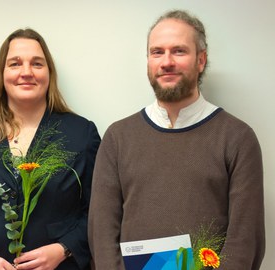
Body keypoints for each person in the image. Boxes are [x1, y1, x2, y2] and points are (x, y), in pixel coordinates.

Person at [88, 9, 265, 269]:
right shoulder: (117, 138)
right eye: (157, 52)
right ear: (148, 60)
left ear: (201, 60)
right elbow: (101, 234)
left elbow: (245, 239)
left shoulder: (237, 138)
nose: (166, 62)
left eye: (179, 51)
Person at [0, 28, 100, 270]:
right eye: (15, 64)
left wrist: (64, 248)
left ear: (49, 73)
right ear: (2, 74)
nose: (26, 72)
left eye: (37, 64)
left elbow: (99, 210)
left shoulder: (82, 133)